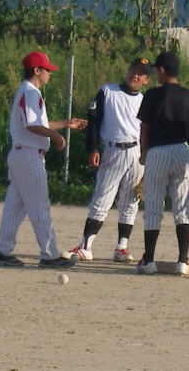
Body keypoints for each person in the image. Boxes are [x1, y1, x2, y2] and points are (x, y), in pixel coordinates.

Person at [0, 51, 87, 269]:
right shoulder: (30, 92)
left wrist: (65, 124)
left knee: (14, 206)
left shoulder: (27, 92)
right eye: (47, 70)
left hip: (21, 153)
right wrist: (55, 135)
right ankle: (50, 255)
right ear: (36, 71)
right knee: (40, 206)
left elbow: (38, 122)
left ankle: (2, 251)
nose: (49, 74)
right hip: (29, 155)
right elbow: (32, 125)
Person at [70, 58, 151, 263]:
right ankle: (86, 246)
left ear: (146, 80)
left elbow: (147, 131)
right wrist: (93, 148)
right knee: (102, 198)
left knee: (130, 201)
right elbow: (94, 121)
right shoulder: (108, 91)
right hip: (113, 150)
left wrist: (146, 158)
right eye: (133, 69)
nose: (135, 75)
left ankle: (121, 247)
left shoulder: (144, 100)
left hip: (135, 153)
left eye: (141, 73)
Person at [134, 51, 189, 275]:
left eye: (156, 70)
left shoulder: (153, 95)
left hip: (158, 151)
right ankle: (183, 261)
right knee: (183, 208)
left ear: (162, 70)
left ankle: (149, 261)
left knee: (153, 208)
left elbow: (145, 127)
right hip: (182, 149)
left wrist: (143, 152)